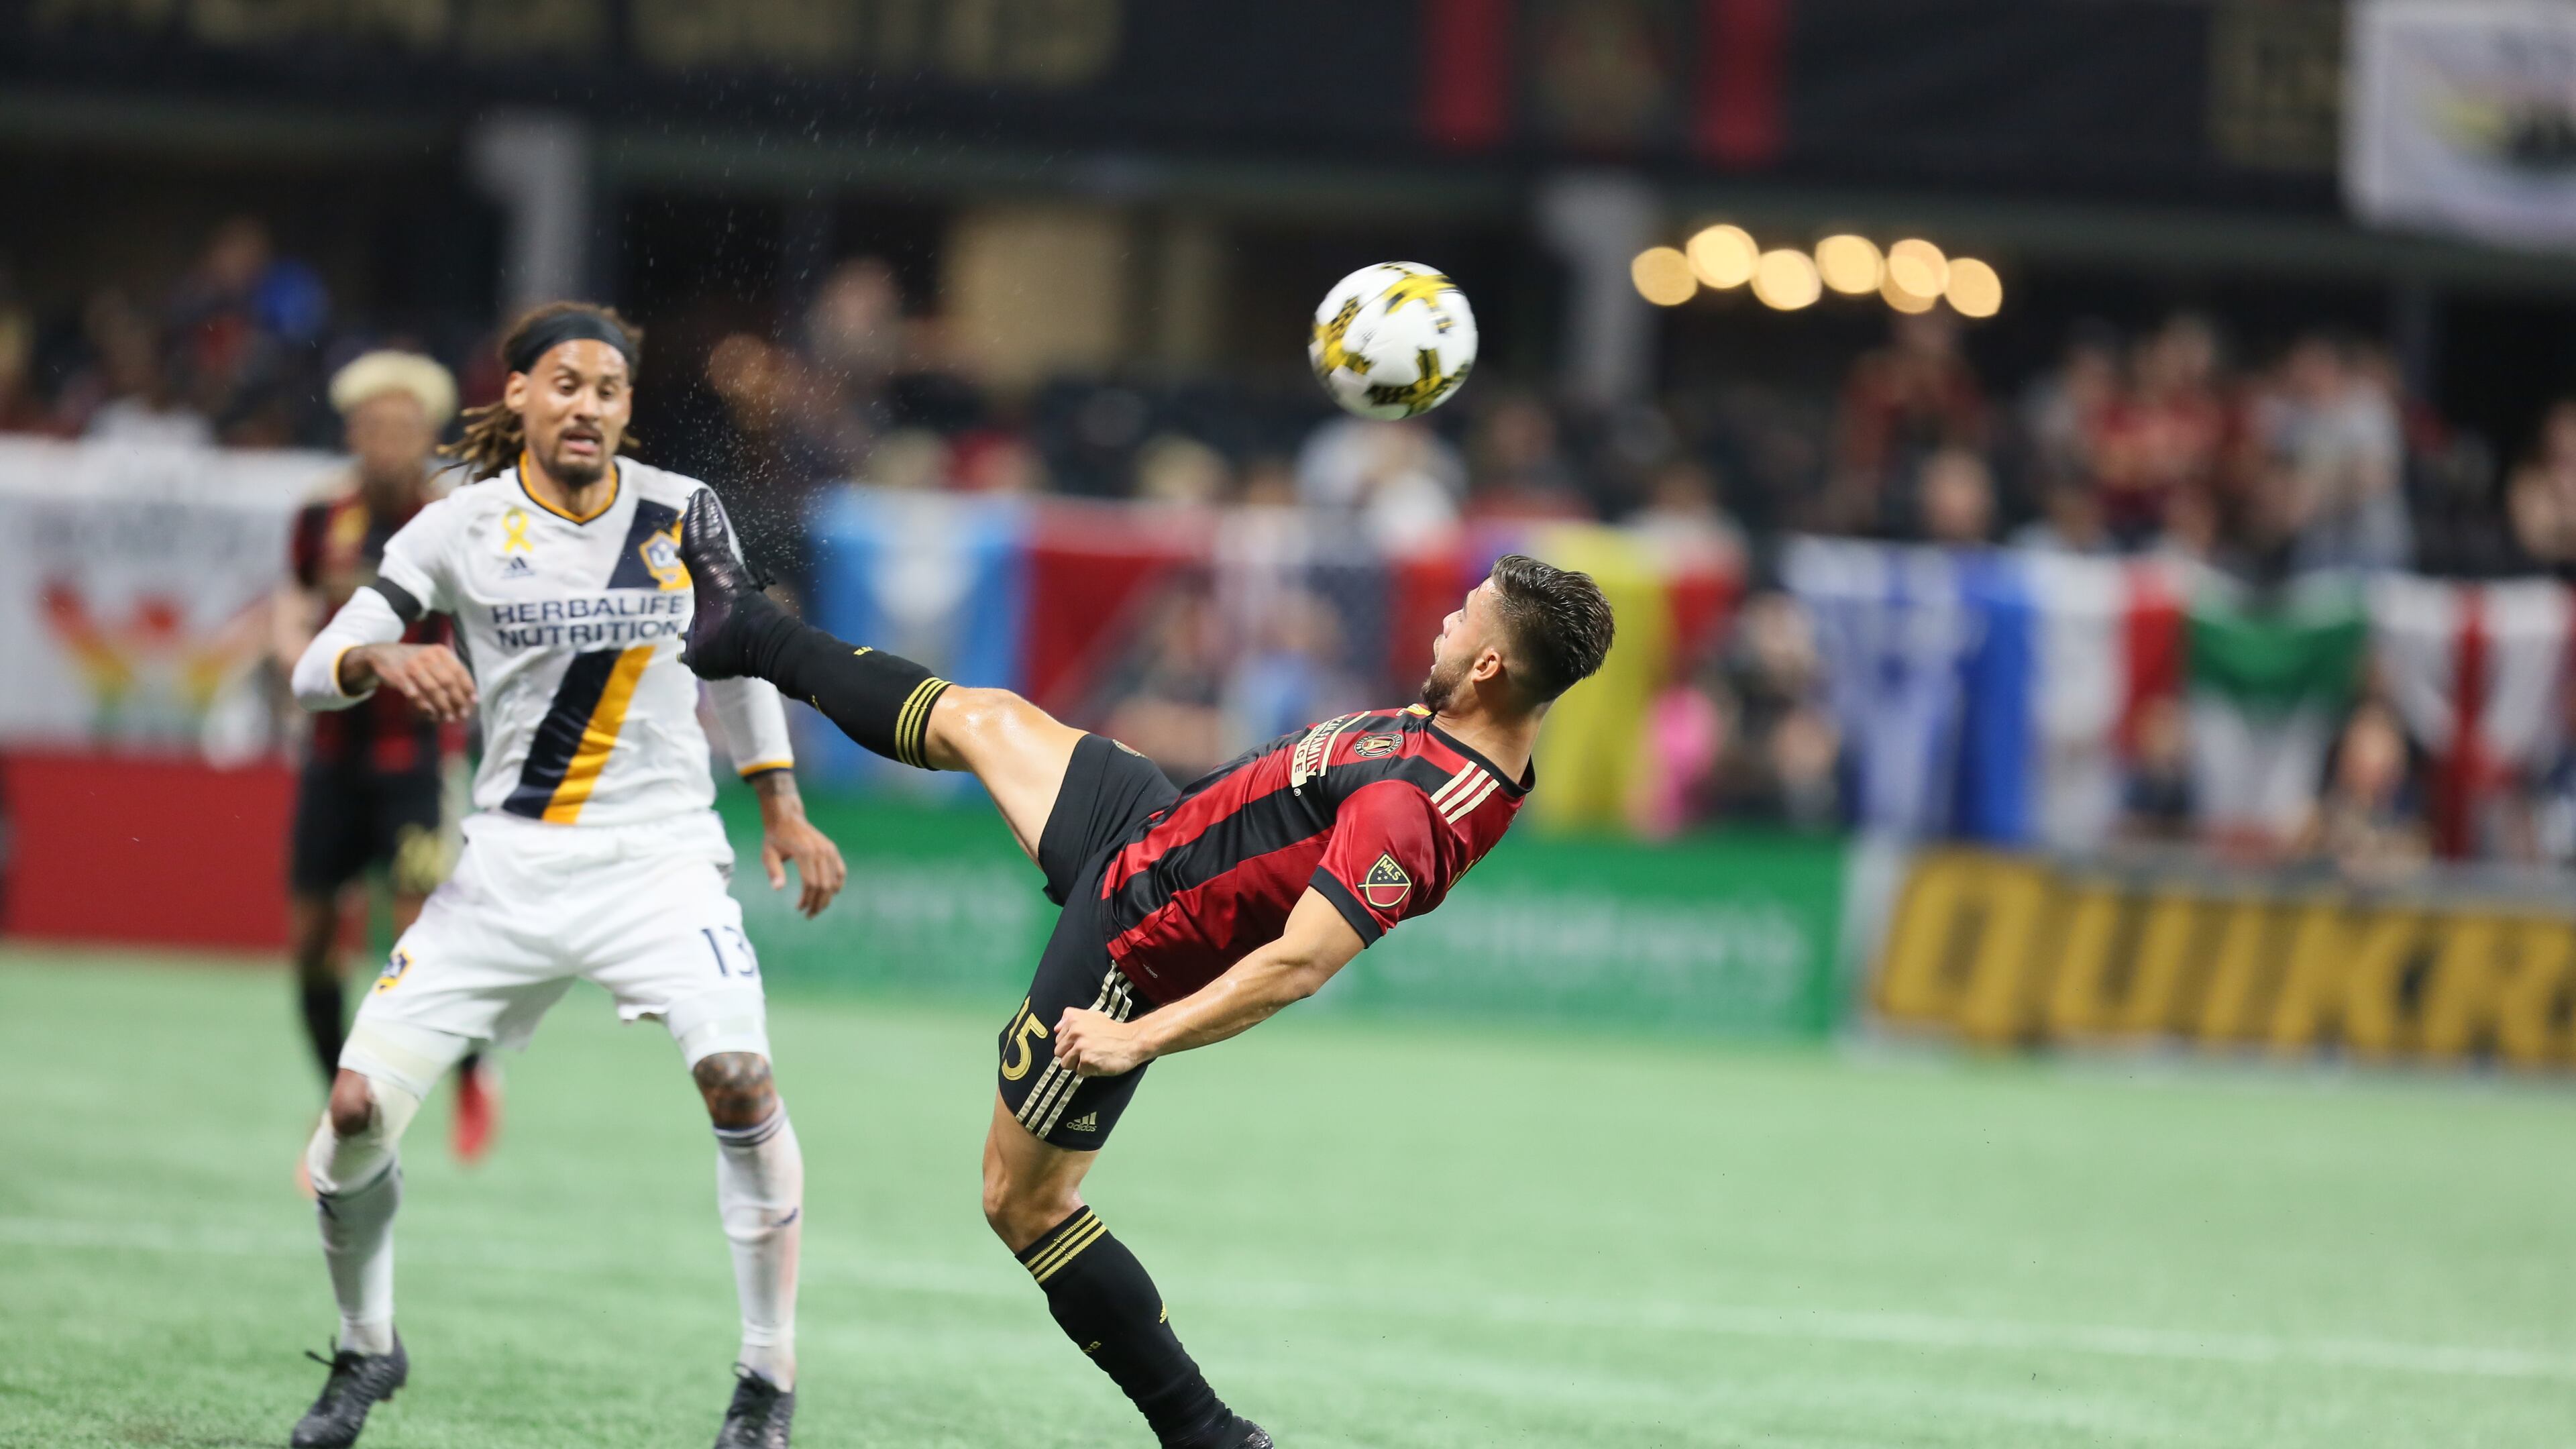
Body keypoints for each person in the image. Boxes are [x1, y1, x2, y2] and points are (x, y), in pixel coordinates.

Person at [680, 513, 1615, 1449]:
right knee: (984, 718)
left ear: (1490, 669)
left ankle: (1204, 1431)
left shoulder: (1412, 809)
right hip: (1152, 830)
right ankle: (742, 627)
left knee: (1023, 1201)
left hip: (1138, 942)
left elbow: (1300, 964)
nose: (1445, 626)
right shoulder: (1457, 722)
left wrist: (1136, 1035)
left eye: (1463, 618)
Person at [284, 303, 847, 1449]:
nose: (586, 404)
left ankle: (765, 1383)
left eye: (608, 388)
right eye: (565, 384)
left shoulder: (684, 510)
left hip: (662, 862)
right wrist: (384, 653)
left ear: (626, 409)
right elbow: (309, 670)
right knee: (352, 1112)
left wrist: (779, 804)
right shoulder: (456, 529)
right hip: (507, 871)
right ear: (523, 399)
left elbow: (737, 657)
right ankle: (365, 1350)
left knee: (740, 1080)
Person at [271, 351, 499, 1164]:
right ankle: (336, 1087)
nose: (387, 441)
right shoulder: (319, 519)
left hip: (415, 761)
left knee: (414, 940)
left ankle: (465, 1074)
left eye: (403, 428)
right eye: (373, 426)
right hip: (331, 758)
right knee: (308, 938)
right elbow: (295, 607)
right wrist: (294, 656)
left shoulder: (452, 520)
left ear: (426, 436)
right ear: (353, 433)